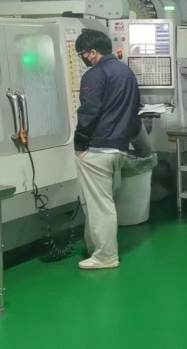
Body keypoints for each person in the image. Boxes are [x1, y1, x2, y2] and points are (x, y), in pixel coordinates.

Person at [73, 29, 142, 270]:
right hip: (119, 148)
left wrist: (79, 144)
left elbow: (88, 112)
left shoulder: (94, 75)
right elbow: (135, 112)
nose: (83, 59)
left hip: (97, 149)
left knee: (99, 206)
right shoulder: (126, 73)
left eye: (82, 54)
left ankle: (106, 256)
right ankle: (94, 247)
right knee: (98, 202)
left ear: (93, 52)